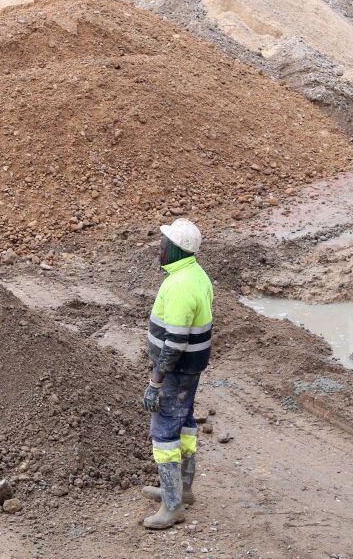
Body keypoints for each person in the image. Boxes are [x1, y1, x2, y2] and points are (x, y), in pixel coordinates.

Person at [140, 217, 213, 530]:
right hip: (191, 369)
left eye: (163, 245)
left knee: (164, 434)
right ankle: (183, 489)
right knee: (184, 424)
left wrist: (155, 382)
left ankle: (172, 505)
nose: (159, 249)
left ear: (177, 250)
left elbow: (175, 342)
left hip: (176, 371)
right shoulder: (196, 274)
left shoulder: (180, 284)